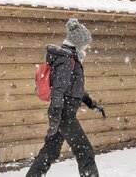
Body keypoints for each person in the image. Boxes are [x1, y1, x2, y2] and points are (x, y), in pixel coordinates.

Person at [26, 18, 106, 177]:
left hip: (63, 113)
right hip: (63, 114)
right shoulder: (67, 60)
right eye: (86, 44)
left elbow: (75, 90)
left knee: (51, 151)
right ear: (78, 42)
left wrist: (91, 104)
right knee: (85, 151)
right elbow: (58, 90)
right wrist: (56, 116)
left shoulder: (71, 59)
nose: (88, 47)